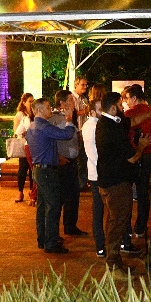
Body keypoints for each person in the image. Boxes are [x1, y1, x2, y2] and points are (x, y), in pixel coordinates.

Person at [96, 92, 151, 276]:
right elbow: (132, 158)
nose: (123, 108)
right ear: (113, 108)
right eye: (121, 105)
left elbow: (132, 121)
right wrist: (142, 145)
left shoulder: (109, 122)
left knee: (114, 220)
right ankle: (113, 264)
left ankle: (115, 260)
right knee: (117, 222)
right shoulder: (112, 130)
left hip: (109, 180)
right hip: (116, 182)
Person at [27, 98, 76, 253]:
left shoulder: (32, 126)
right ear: (39, 110)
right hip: (47, 171)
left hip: (39, 169)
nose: (51, 109)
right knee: (53, 205)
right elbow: (67, 134)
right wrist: (69, 119)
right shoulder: (44, 126)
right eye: (48, 107)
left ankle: (43, 238)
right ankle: (51, 242)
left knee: (42, 207)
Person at [123, 85, 151, 237]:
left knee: (126, 192)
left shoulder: (129, 114)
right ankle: (141, 226)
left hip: (132, 156)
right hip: (148, 155)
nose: (126, 102)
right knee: (143, 192)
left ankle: (126, 229)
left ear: (134, 98)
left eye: (127, 98)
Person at [50, 90, 87, 236]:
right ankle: (54, 233)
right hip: (61, 162)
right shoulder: (54, 118)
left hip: (72, 161)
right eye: (71, 100)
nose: (74, 103)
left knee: (73, 195)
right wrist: (57, 156)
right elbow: (51, 140)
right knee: (60, 198)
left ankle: (70, 226)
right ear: (62, 103)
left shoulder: (71, 117)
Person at [81, 99, 106, 258]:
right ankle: (102, 244)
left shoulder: (87, 126)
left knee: (98, 209)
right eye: (99, 109)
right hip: (100, 173)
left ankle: (100, 245)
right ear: (92, 112)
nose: (102, 112)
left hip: (94, 172)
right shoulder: (95, 126)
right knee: (102, 210)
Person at [13, 92, 34, 203]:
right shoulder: (20, 115)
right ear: (24, 102)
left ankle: (32, 191)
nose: (31, 103)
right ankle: (20, 191)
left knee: (32, 170)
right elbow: (16, 131)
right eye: (30, 101)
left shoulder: (35, 113)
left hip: (33, 145)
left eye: (33, 101)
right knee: (22, 169)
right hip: (23, 145)